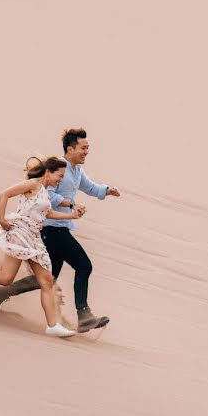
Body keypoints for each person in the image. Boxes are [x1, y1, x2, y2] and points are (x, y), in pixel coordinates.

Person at [0, 156, 84, 338]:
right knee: (5, 278)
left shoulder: (45, 191)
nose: (60, 180)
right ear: (48, 172)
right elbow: (4, 194)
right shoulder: (33, 184)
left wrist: (72, 216)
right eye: (59, 176)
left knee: (46, 280)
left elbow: (48, 213)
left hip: (34, 238)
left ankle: (52, 326)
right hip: (20, 234)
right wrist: (2, 219)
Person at [41, 128, 120, 333]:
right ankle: (84, 315)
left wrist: (106, 191)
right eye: (83, 148)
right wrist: (70, 204)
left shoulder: (76, 170)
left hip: (59, 230)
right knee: (84, 266)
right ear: (70, 149)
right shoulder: (59, 167)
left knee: (47, 279)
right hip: (52, 229)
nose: (86, 152)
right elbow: (47, 194)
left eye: (88, 148)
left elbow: (90, 187)